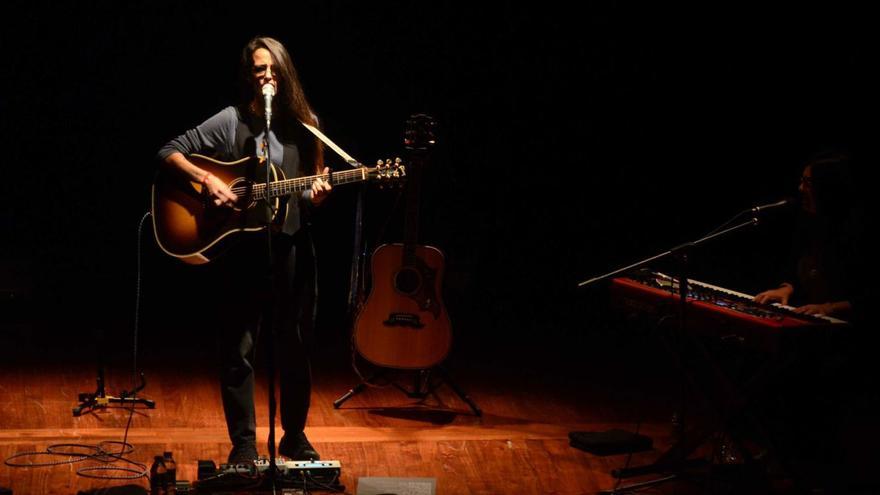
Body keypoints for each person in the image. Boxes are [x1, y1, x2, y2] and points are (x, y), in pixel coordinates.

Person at [157, 36, 331, 463]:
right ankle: (245, 446)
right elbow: (169, 152)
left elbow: (309, 190)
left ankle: (294, 436)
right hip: (240, 253)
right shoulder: (231, 121)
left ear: (285, 73)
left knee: (294, 346)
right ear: (249, 77)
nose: (266, 76)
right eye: (258, 69)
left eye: (273, 69)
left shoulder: (306, 125)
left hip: (290, 247)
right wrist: (207, 181)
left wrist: (318, 196)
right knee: (238, 349)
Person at [753, 152, 863, 320]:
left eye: (809, 183)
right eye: (802, 181)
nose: (801, 189)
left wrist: (829, 308)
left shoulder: (858, 232)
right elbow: (795, 266)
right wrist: (787, 287)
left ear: (829, 188)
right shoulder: (809, 223)